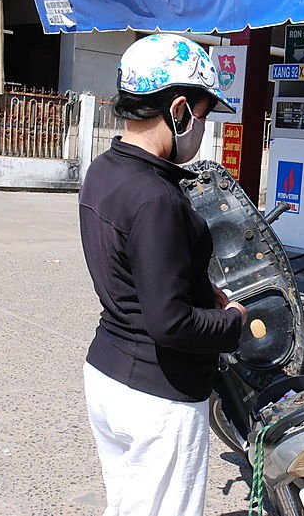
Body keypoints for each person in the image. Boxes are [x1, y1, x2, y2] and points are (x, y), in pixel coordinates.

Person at [78, 34, 247, 516]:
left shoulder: (105, 171)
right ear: (178, 110)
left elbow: (132, 268)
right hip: (158, 396)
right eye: (203, 113)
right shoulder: (157, 198)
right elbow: (170, 322)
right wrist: (233, 322)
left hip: (108, 375)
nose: (203, 128)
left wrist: (197, 285)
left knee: (130, 505)